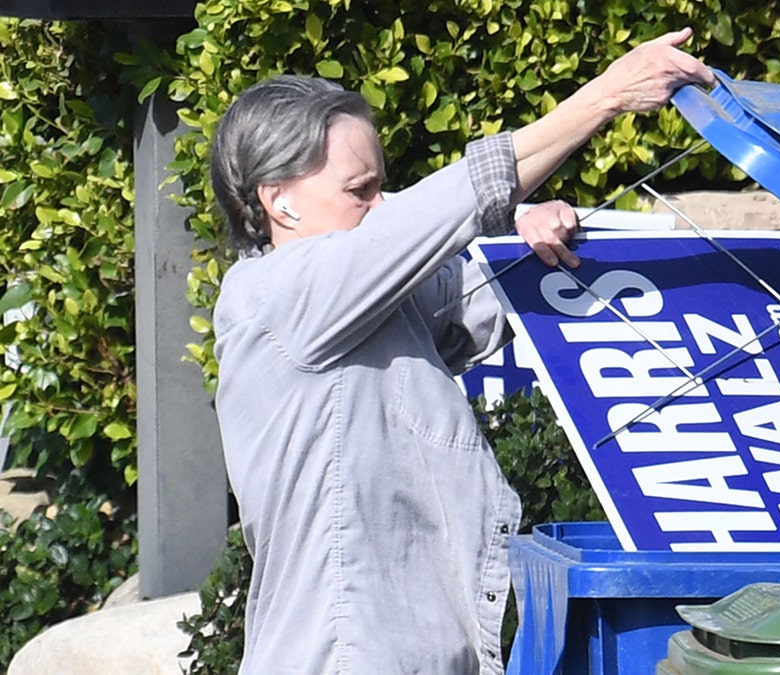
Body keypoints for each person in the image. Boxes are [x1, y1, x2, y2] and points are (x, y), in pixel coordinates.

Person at [208, 28, 713, 674]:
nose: (381, 204)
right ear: (277, 201)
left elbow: (479, 288)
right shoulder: (277, 297)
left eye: (382, 184)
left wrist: (529, 238)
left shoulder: (373, 298)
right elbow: (453, 203)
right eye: (360, 190)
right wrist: (606, 96)